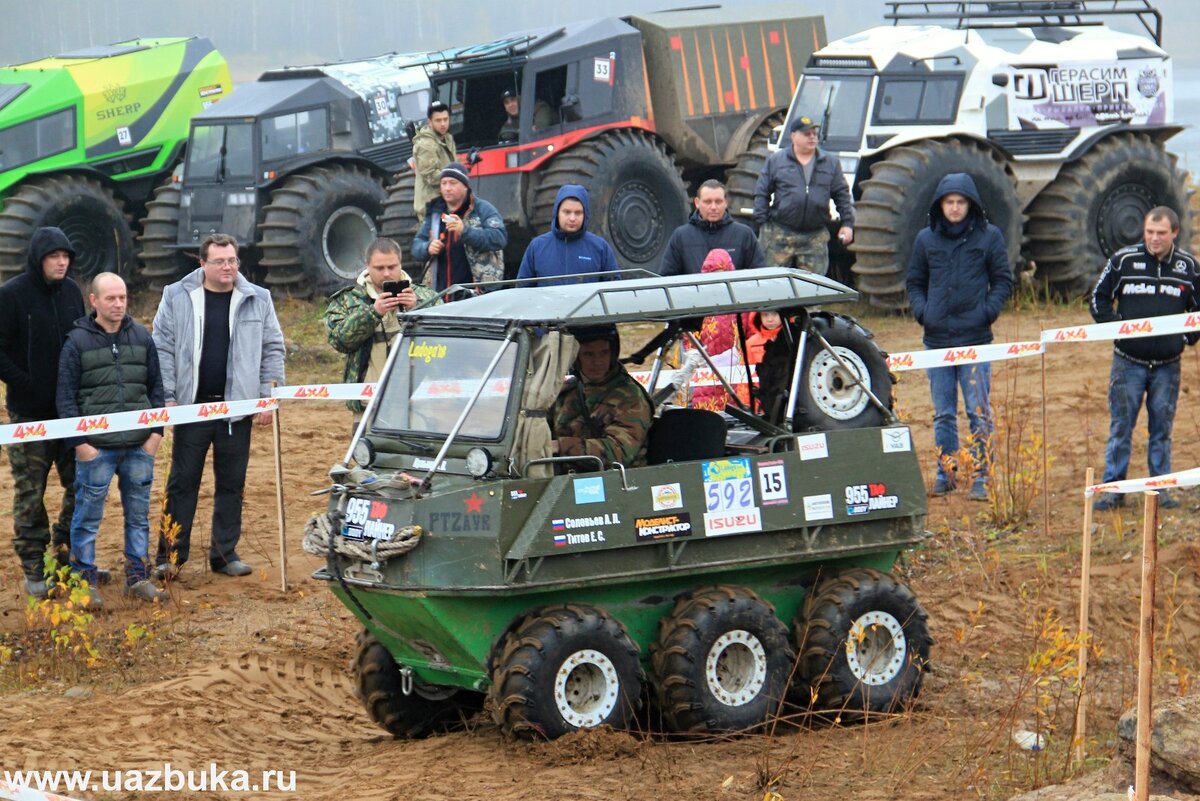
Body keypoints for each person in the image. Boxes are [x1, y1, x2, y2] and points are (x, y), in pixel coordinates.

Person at [151, 233, 286, 579]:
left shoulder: (259, 298)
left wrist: (267, 399)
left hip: (236, 409)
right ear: (202, 263)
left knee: (232, 484)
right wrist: (167, 397)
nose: (228, 267)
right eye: (220, 261)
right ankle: (170, 556)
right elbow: (162, 348)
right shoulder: (176, 295)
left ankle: (224, 555)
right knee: (182, 483)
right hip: (190, 408)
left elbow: (272, 349)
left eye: (232, 261)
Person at [57, 273, 168, 606]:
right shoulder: (76, 342)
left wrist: (155, 435)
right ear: (94, 301)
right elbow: (65, 398)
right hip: (96, 449)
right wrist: (82, 445)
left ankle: (137, 577)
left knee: (138, 516)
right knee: (87, 519)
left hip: (139, 446)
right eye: (111, 298)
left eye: (122, 297)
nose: (118, 304)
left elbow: (157, 388)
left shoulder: (142, 337)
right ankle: (84, 581)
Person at [906, 173, 1013, 501]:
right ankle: (946, 473)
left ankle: (982, 476)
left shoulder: (989, 237)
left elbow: (1003, 280)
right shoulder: (926, 239)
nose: (954, 208)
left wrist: (986, 312)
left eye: (960, 202)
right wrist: (924, 312)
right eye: (949, 202)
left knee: (978, 411)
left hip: (975, 339)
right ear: (941, 204)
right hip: (936, 340)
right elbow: (914, 281)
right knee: (943, 413)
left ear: (971, 204)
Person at [0, 226, 92, 599]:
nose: (62, 262)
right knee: (29, 493)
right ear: (39, 259)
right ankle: (34, 566)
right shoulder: (11, 295)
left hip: (70, 413)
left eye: (67, 256)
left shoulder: (72, 292)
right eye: (55, 256)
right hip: (29, 417)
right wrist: (26, 384)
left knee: (82, 486)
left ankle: (67, 552)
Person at [1090, 206, 1200, 511]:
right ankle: (1113, 490)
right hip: (1128, 362)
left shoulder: (1189, 267)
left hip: (1168, 366)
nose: (1154, 239)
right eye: (1149, 232)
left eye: (1161, 233)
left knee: (1162, 429)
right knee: (1120, 428)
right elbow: (1098, 297)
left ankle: (1162, 489)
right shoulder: (1124, 261)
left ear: (1174, 233)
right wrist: (1116, 327)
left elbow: (1199, 307)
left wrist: (1188, 336)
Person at [325, 237, 440, 417]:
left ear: (400, 264)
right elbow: (339, 341)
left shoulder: (426, 296)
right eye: (379, 268)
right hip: (369, 404)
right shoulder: (348, 300)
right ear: (367, 266)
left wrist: (418, 310)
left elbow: (446, 338)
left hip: (418, 403)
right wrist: (373, 313)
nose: (386, 273)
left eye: (392, 267)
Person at [753, 115, 854, 275]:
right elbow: (762, 192)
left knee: (814, 290)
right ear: (793, 136)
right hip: (780, 233)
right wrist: (763, 223)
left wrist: (847, 223)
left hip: (814, 236)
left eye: (814, 133)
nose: (812, 137)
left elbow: (841, 195)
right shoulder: (776, 161)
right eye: (806, 134)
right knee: (771, 284)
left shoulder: (830, 163)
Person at [549, 326, 652, 468]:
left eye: (604, 353)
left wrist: (560, 446)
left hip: (618, 482)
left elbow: (618, 454)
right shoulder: (567, 392)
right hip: (566, 479)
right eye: (589, 354)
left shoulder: (629, 398)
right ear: (575, 357)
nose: (598, 362)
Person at [411, 163, 506, 294]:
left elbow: (499, 238)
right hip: (439, 295)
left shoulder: (482, 209)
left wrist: (465, 231)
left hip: (476, 294)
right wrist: (427, 247)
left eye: (452, 183)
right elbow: (416, 247)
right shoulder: (435, 213)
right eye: (443, 183)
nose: (447, 188)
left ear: (465, 186)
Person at [517, 185, 619, 285]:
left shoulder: (600, 248)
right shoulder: (537, 247)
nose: (572, 218)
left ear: (585, 215)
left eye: (578, 213)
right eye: (567, 212)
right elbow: (522, 291)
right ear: (557, 213)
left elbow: (614, 291)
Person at [660, 180, 766, 276]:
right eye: (707, 202)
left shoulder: (744, 235)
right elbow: (667, 278)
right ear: (697, 203)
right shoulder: (681, 236)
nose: (713, 207)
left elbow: (760, 276)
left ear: (726, 203)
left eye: (718, 201)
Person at [687, 249, 744, 412]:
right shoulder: (699, 307)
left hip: (736, 375)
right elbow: (690, 341)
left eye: (721, 274)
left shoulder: (740, 304)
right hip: (706, 375)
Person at [411, 100, 456, 223]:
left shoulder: (447, 138)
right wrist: (456, 177)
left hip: (446, 202)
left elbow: (452, 165)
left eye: (445, 119)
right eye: (438, 120)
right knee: (436, 241)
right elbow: (431, 177)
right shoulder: (426, 144)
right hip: (431, 207)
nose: (443, 124)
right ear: (429, 122)